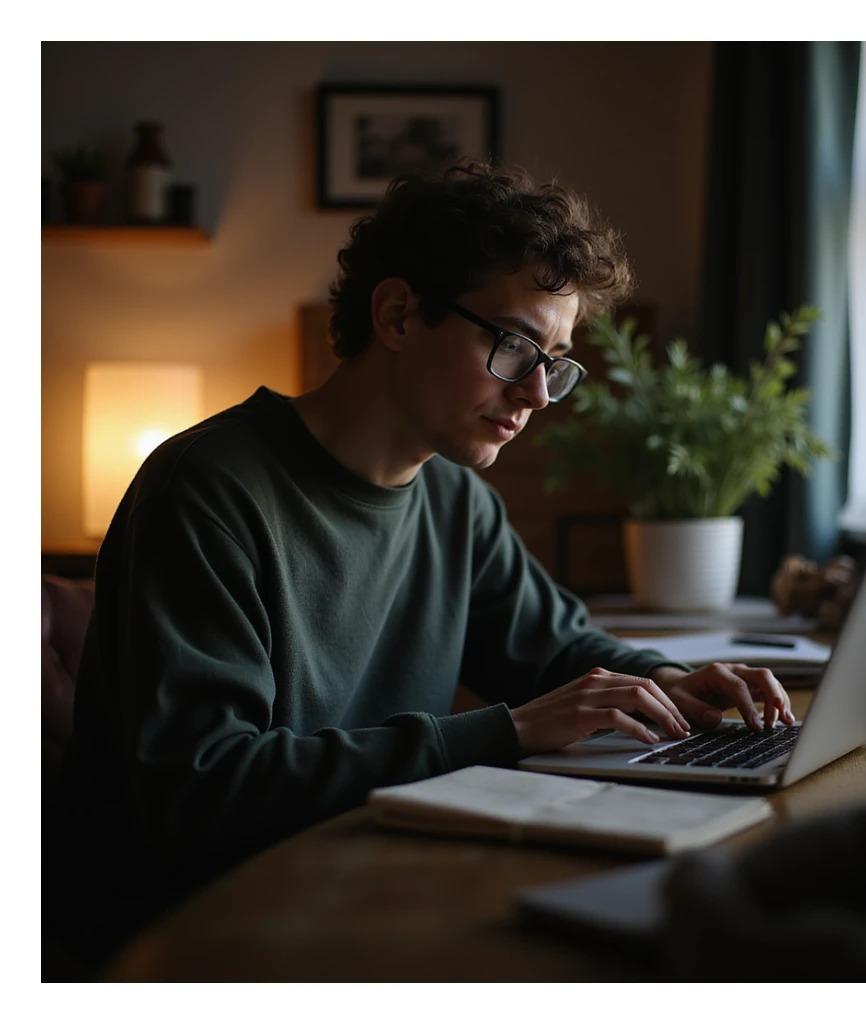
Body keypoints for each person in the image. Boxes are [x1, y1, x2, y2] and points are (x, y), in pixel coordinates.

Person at [44, 162, 793, 970]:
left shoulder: (455, 501)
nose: (539, 393)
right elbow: (205, 789)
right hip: (194, 923)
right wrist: (505, 731)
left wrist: (675, 682)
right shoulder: (206, 491)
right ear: (398, 314)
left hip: (366, 875)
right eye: (514, 346)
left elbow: (562, 654)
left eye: (557, 361)